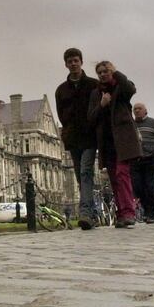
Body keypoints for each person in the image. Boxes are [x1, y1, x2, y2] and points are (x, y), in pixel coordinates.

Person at [87, 61, 140, 228]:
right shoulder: (96, 94)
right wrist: (102, 105)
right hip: (107, 142)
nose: (103, 74)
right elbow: (91, 118)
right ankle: (121, 214)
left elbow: (131, 89)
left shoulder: (121, 87)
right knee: (114, 179)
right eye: (100, 72)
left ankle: (128, 212)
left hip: (123, 140)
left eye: (106, 71)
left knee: (122, 174)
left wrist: (116, 73)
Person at [55, 48, 100, 230]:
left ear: (81, 62)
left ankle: (85, 214)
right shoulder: (61, 90)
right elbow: (61, 115)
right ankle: (93, 213)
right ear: (66, 64)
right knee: (81, 176)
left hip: (89, 136)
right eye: (70, 61)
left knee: (85, 172)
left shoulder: (93, 84)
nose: (73, 63)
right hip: (73, 138)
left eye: (76, 60)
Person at [132, 103, 154, 224]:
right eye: (134, 109)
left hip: (152, 159)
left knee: (151, 186)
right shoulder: (131, 124)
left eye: (139, 109)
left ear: (145, 111)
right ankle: (147, 210)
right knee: (138, 186)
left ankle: (151, 212)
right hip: (136, 160)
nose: (136, 111)